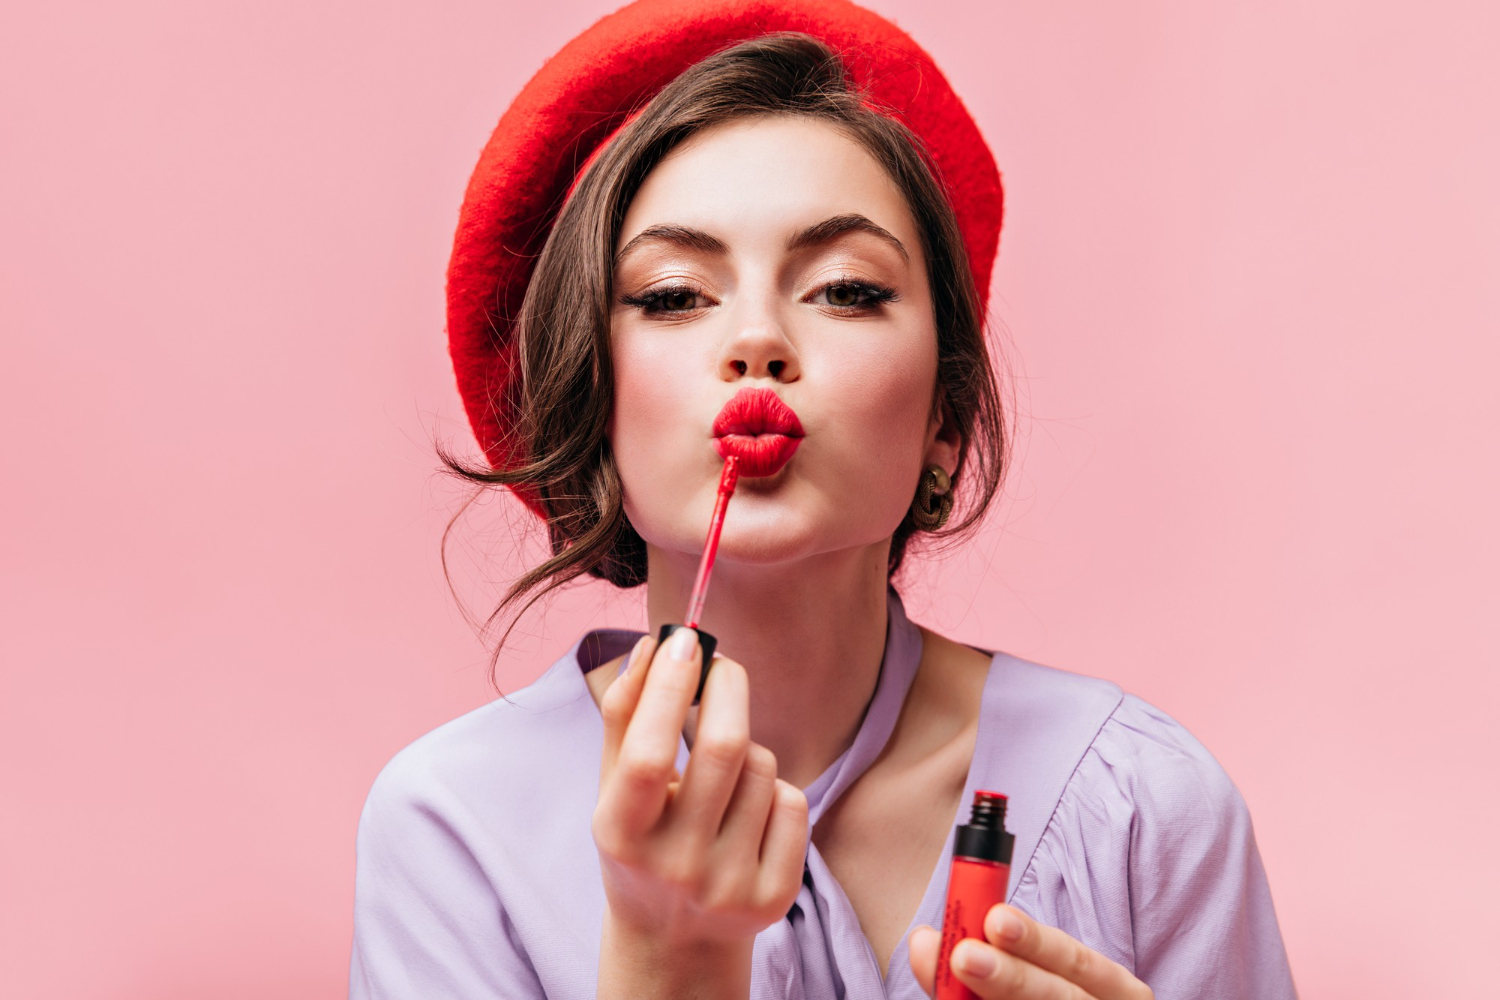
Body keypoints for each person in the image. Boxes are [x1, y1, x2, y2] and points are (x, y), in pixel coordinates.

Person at [349, 2, 1297, 998]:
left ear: (944, 416)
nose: (757, 340)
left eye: (846, 288)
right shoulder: (452, 833)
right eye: (673, 295)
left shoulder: (1147, 805)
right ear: (593, 405)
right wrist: (668, 963)